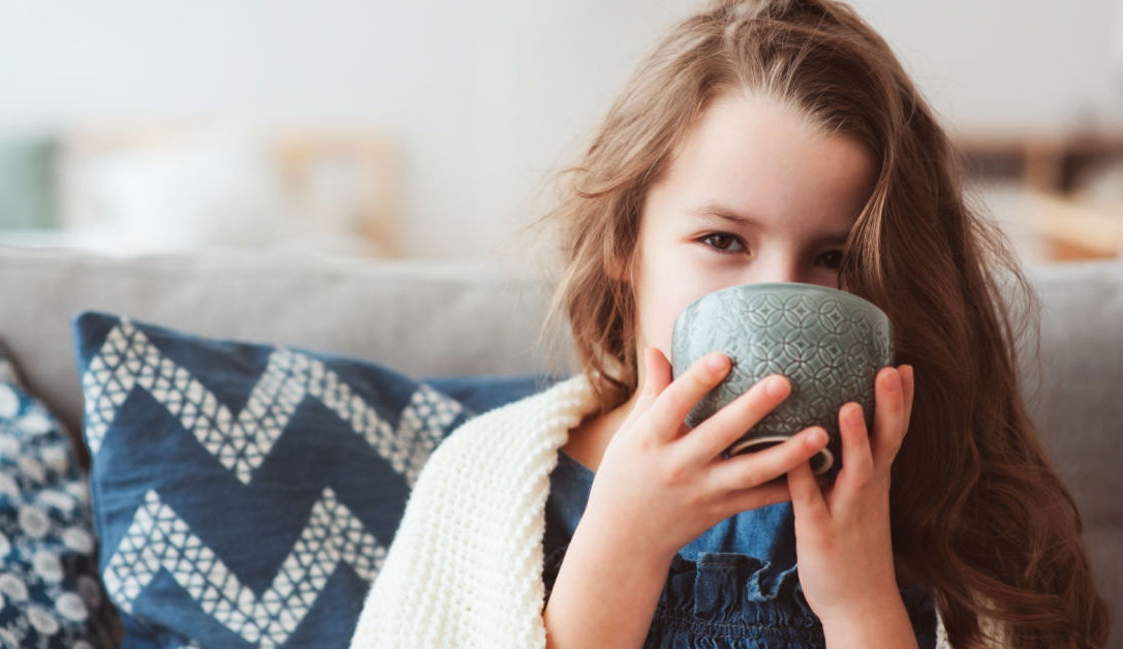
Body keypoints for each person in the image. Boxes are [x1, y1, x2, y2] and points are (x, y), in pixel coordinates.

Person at [348, 1, 1111, 648]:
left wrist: (860, 602)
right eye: (722, 241)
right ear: (625, 241)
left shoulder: (954, 500)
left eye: (834, 255)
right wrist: (620, 550)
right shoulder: (487, 481)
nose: (778, 290)